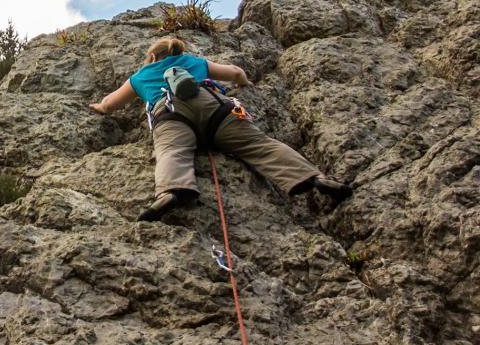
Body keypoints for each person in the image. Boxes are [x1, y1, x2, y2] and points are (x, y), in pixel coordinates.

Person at [89, 38, 352, 221]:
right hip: (216, 109)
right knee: (259, 144)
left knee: (172, 151)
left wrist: (98, 107)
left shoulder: (141, 75)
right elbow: (235, 72)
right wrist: (244, 83)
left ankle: (171, 191)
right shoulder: (194, 61)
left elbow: (110, 104)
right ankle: (312, 178)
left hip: (171, 114)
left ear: (153, 57)